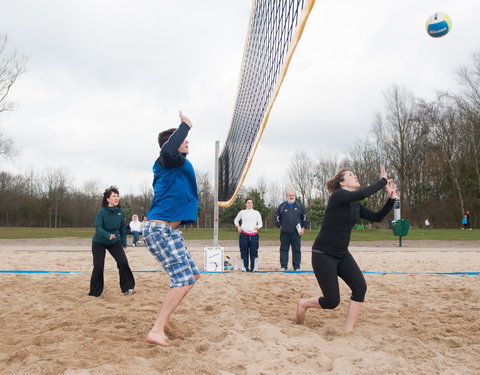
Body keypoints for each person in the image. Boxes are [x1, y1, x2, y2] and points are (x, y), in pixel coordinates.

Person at [296, 166, 397, 333]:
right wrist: (383, 181)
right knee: (331, 302)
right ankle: (304, 303)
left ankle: (348, 330)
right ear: (342, 183)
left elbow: (376, 217)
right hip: (323, 254)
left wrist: (391, 199)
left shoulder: (354, 203)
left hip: (342, 254)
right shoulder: (338, 196)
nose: (355, 176)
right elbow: (362, 193)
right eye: (351, 175)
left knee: (360, 288)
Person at [142, 111, 200, 347]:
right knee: (183, 279)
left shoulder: (177, 163)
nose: (187, 142)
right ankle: (156, 328)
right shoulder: (166, 159)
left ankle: (163, 322)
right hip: (159, 229)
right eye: (182, 139)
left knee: (192, 276)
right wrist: (185, 126)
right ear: (173, 142)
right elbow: (168, 150)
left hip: (170, 231)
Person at [88, 186, 135, 297]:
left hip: (115, 241)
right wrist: (107, 235)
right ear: (107, 199)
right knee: (98, 266)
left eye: (117, 196)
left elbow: (123, 228)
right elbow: (98, 228)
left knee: (123, 262)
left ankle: (127, 288)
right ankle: (95, 292)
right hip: (99, 242)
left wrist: (124, 242)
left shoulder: (121, 212)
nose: (116, 198)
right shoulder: (101, 212)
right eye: (114, 196)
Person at [275, 190, 308, 271]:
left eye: (293, 195)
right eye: (289, 195)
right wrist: (280, 226)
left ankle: (296, 267)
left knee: (296, 249)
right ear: (287, 196)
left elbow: (305, 217)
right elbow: (276, 217)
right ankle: (283, 266)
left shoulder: (300, 206)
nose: (291, 196)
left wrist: (303, 227)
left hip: (296, 232)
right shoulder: (282, 206)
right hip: (284, 233)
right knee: (284, 249)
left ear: (295, 196)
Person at [234, 197, 263, 272]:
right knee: (244, 251)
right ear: (245, 204)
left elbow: (260, 223)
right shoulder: (242, 212)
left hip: (254, 235)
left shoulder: (256, 213)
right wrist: (238, 227)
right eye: (248, 202)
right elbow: (236, 220)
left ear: (253, 204)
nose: (249, 204)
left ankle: (254, 267)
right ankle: (244, 267)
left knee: (254, 251)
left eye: (251, 203)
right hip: (244, 234)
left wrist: (257, 227)